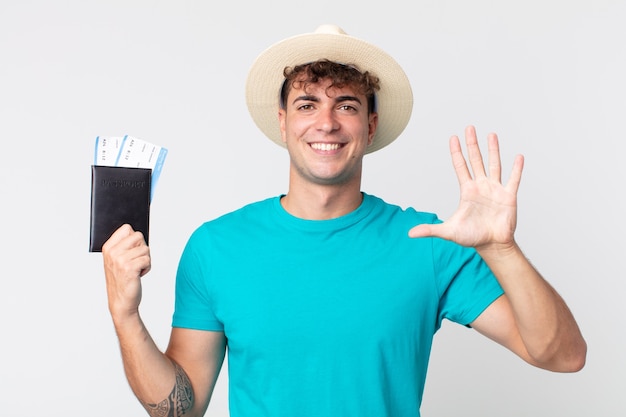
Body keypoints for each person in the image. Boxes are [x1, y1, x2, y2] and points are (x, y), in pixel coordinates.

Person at [102, 24, 586, 417]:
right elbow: (179, 412)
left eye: (347, 105)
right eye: (307, 104)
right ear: (284, 121)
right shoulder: (216, 247)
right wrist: (125, 317)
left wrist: (502, 250)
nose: (326, 122)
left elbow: (563, 356)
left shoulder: (429, 243)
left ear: (370, 126)